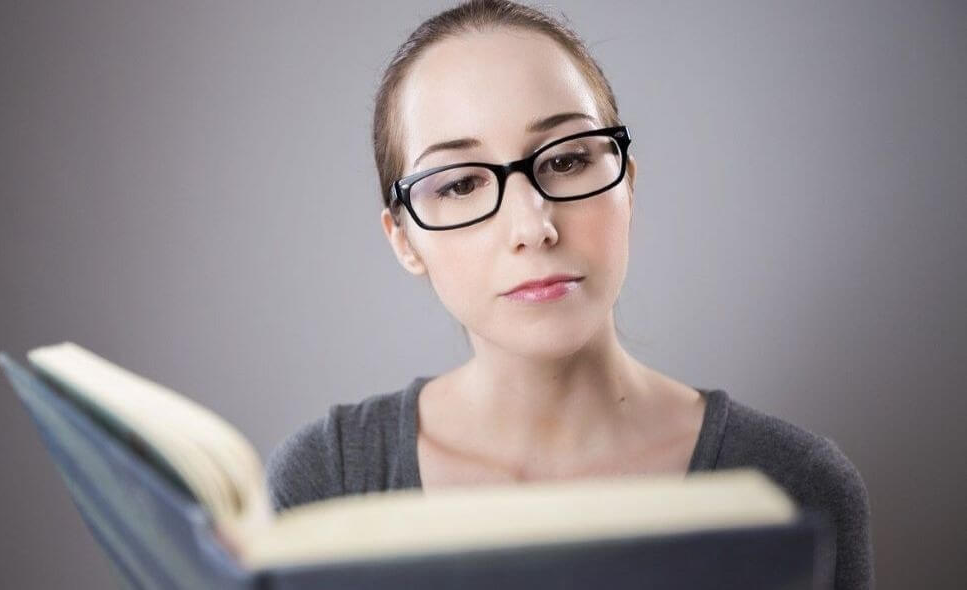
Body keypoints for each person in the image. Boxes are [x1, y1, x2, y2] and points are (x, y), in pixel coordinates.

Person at [265, 1, 874, 588]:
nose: (534, 227)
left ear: (626, 185)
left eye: (566, 160)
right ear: (403, 239)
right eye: (459, 185)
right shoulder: (329, 480)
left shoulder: (796, 487)